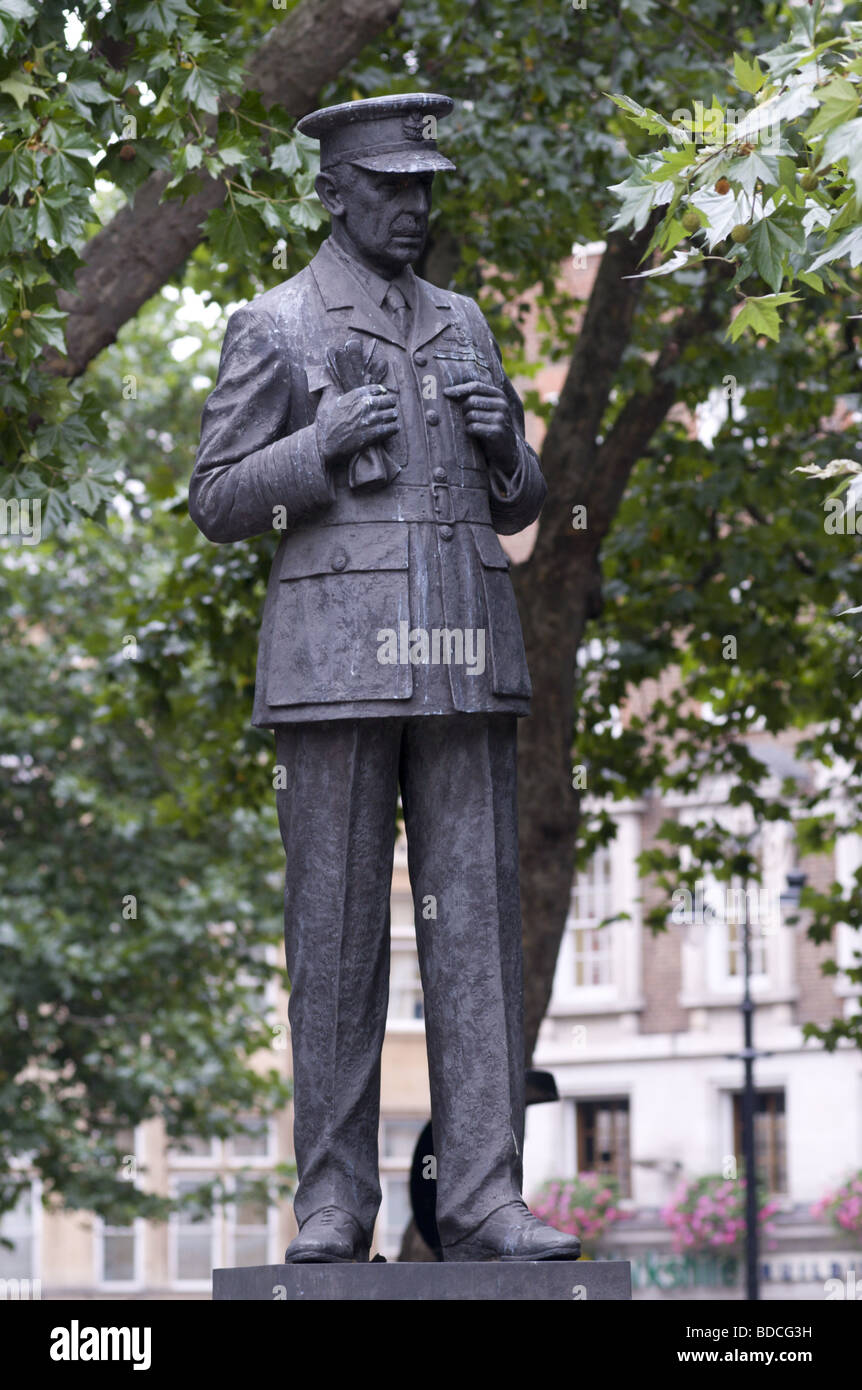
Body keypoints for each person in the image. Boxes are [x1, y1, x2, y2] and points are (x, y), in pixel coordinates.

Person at [189, 92, 580, 1264]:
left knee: (475, 936)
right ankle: (332, 1203)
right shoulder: (276, 323)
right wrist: (313, 447)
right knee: (338, 935)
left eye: (424, 189)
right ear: (332, 194)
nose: (414, 208)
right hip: (334, 660)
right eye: (391, 189)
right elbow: (215, 499)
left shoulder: (465, 322)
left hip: (462, 645)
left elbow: (522, 500)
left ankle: (482, 1197)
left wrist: (506, 439)